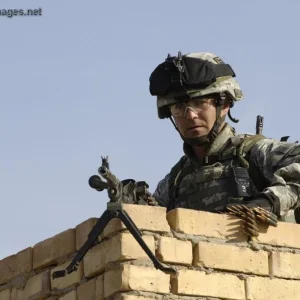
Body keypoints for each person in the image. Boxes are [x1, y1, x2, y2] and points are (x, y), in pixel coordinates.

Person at [148, 51, 300, 223]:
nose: (190, 115)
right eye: (178, 107)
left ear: (225, 105)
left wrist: (270, 201)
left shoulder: (255, 154)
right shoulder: (174, 182)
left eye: (200, 103)